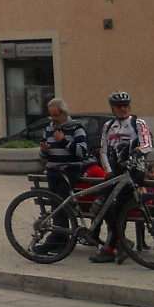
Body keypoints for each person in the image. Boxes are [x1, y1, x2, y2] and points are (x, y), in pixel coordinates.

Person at [90, 90, 153, 263]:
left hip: (133, 171)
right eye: (119, 106)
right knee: (101, 206)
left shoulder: (137, 123)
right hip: (115, 171)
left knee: (120, 208)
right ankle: (119, 242)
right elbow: (103, 150)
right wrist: (108, 170)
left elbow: (147, 143)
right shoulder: (108, 126)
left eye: (125, 106)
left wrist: (138, 151)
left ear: (129, 107)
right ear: (112, 108)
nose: (123, 109)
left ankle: (111, 247)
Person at [36, 98, 88, 252]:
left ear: (65, 113)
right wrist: (44, 150)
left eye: (56, 115)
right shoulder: (48, 129)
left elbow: (82, 152)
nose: (54, 119)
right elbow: (43, 156)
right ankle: (59, 238)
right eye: (51, 115)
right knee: (55, 205)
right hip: (53, 170)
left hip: (70, 171)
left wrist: (64, 141)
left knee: (60, 204)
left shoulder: (77, 128)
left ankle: (59, 240)